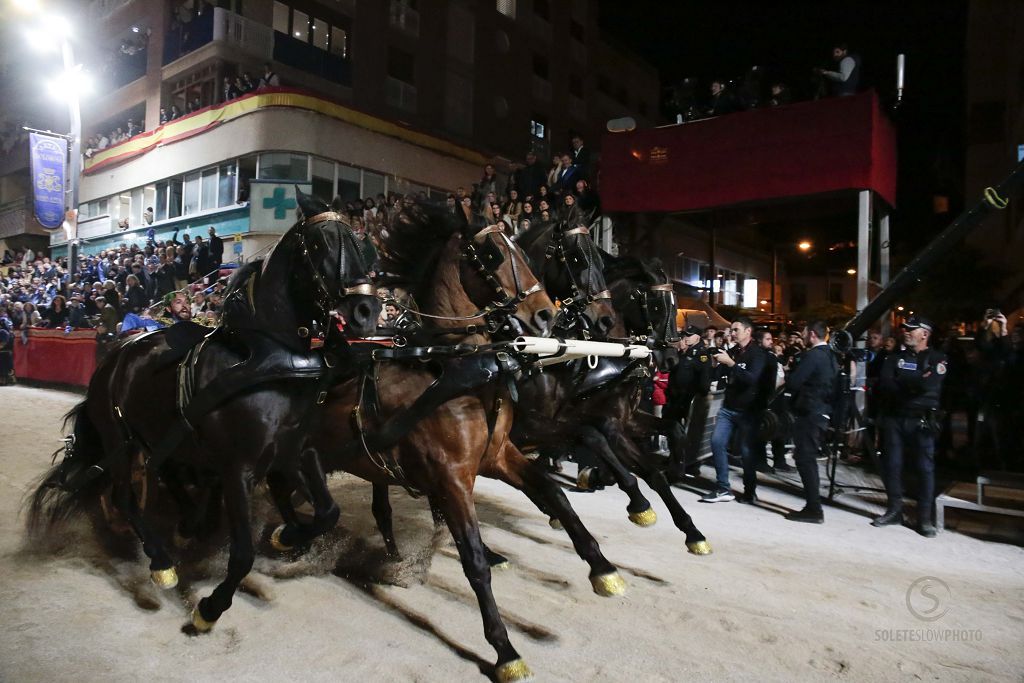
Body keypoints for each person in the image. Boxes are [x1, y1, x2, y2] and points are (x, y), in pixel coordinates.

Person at [873, 315, 947, 537]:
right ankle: (894, 510)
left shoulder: (937, 357)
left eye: (911, 329)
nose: (906, 331)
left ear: (925, 334)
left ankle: (924, 518)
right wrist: (915, 381)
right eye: (905, 328)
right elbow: (886, 384)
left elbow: (930, 384)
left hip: (922, 420)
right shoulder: (894, 358)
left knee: (924, 469)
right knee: (892, 465)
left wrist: (904, 381)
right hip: (895, 418)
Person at [701, 316, 769, 503]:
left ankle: (749, 491)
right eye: (731, 330)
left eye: (736, 330)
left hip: (748, 411)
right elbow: (720, 375)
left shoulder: (757, 354)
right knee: (716, 442)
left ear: (748, 331)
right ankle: (723, 487)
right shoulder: (733, 351)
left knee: (746, 452)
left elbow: (751, 379)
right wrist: (716, 365)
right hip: (728, 407)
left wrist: (731, 363)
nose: (732, 333)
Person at [784, 320, 839, 523]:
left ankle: (814, 508)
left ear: (813, 335)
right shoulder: (831, 356)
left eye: (805, 333)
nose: (803, 336)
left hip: (810, 413)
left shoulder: (814, 356)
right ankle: (812, 505)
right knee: (807, 458)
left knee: (805, 459)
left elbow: (794, 382)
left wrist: (790, 370)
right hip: (821, 411)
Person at [665, 324, 713, 478]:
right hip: (675, 399)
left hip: (689, 400)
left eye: (690, 334)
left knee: (689, 434)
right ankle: (675, 460)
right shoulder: (682, 350)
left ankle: (688, 464)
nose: (686, 336)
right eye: (685, 333)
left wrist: (698, 397)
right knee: (673, 431)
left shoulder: (701, 354)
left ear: (698, 337)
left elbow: (704, 381)